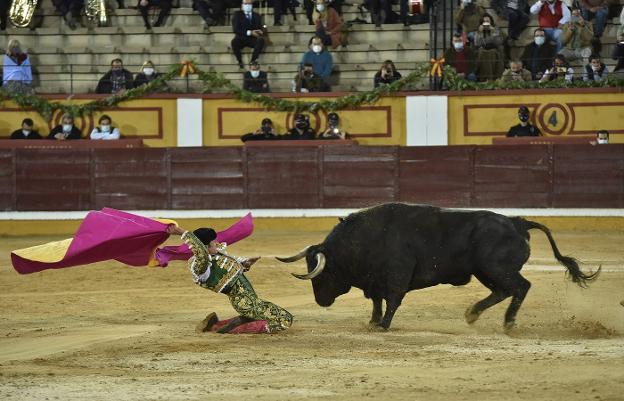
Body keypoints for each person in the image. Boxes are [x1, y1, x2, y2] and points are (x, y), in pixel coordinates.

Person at [167, 225, 293, 334]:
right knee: (284, 321)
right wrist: (181, 232)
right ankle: (223, 330)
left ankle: (216, 325)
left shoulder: (216, 256)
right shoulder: (201, 265)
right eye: (213, 242)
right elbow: (201, 253)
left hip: (248, 301)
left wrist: (246, 264)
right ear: (205, 247)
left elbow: (230, 267)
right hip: (244, 303)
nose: (216, 244)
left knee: (258, 316)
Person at [231, 0, 266, 69]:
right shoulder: (237, 14)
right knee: (234, 42)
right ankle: (240, 61)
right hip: (241, 38)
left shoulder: (256, 15)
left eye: (249, 4)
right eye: (245, 3)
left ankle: (253, 61)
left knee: (261, 40)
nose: (247, 5)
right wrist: (250, 32)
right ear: (242, 5)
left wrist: (262, 30)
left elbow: (262, 26)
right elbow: (235, 30)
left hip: (252, 39)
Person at [473, 13, 505, 81]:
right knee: (482, 53)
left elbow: (499, 42)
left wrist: (493, 32)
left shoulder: (496, 29)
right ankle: (484, 78)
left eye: (488, 21)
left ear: (491, 22)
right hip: (482, 50)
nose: (486, 23)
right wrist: (480, 33)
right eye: (484, 22)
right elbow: (477, 43)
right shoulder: (478, 31)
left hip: (494, 49)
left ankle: (492, 78)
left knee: (492, 53)